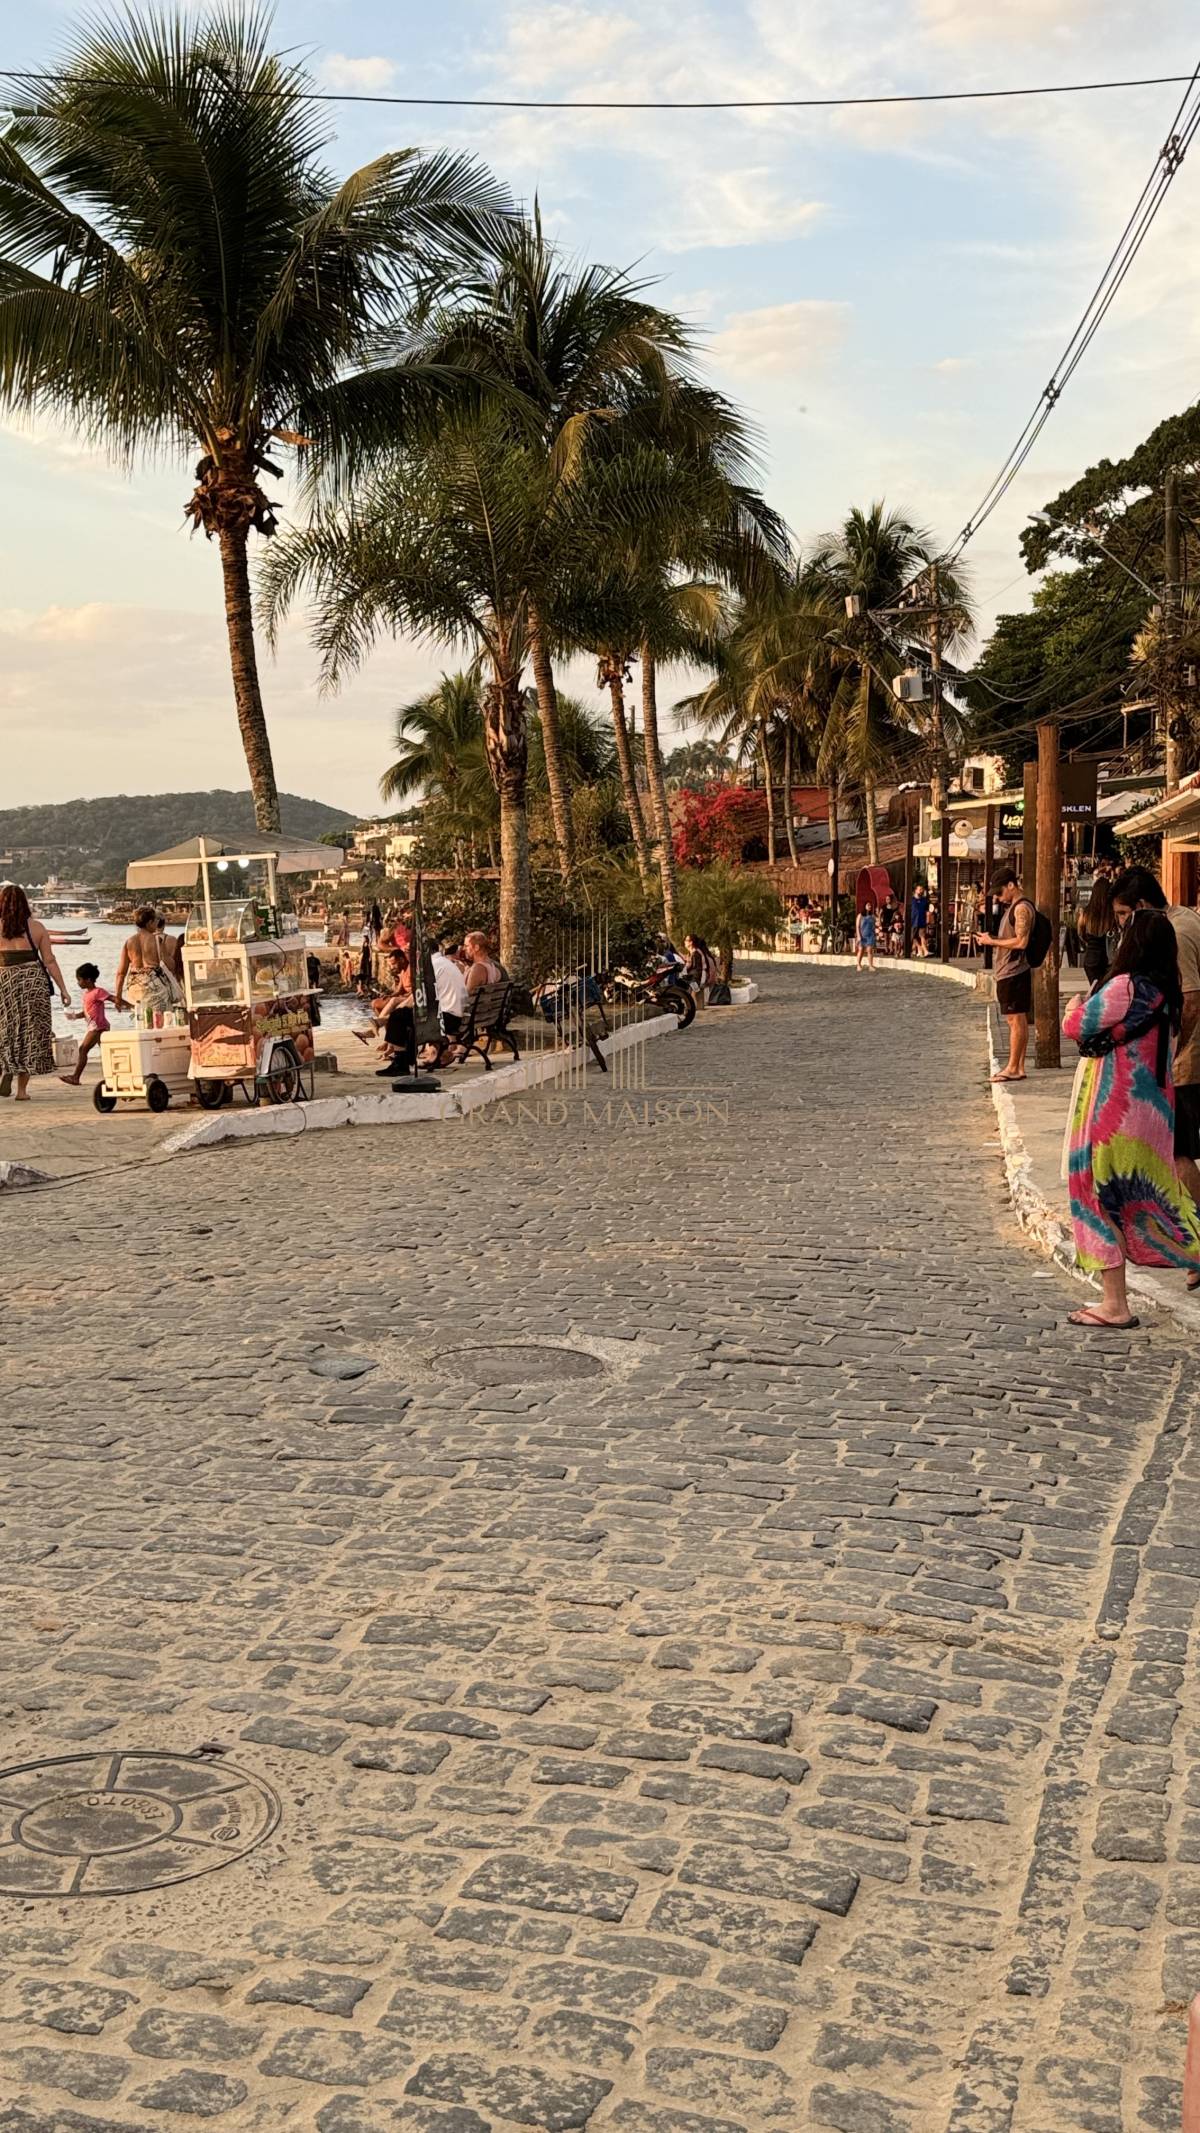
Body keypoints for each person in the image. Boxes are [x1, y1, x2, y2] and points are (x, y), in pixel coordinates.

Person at [1062, 909, 1200, 1327]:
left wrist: (1073, 1005)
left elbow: (1077, 1026)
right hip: (1154, 1116)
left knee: (1097, 1198)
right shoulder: (1168, 995)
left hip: (1113, 1112)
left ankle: (1114, 1304)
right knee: (1151, 1199)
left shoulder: (1124, 986)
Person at [1112, 864, 1200, 1287]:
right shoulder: (1185, 917)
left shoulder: (1173, 932)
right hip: (1184, 1056)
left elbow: (1191, 999)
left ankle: (1197, 1243)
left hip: (1186, 1061)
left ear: (1142, 906)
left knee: (1178, 1153)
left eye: (1123, 915)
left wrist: (1171, 1051)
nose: (1121, 925)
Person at [0, 882, 69, 1099]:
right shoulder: (37, 928)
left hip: (4, 981)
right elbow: (49, 961)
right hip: (32, 981)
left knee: (4, 1029)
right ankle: (22, 1091)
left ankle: (6, 1067)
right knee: (31, 1032)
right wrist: (63, 990)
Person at [976, 866, 1034, 1083]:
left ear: (1011, 885)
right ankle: (1018, 1066)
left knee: (1015, 1020)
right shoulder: (1015, 908)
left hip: (1013, 972)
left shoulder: (1021, 909)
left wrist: (992, 942)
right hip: (1010, 972)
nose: (998, 898)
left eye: (1000, 893)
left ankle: (1013, 1067)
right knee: (1017, 1019)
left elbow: (1021, 941)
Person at [113, 907, 183, 1017]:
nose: (157, 924)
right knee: (160, 1020)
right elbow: (170, 966)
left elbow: (121, 973)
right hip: (155, 988)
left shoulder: (129, 942)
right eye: (155, 921)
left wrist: (118, 996)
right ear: (150, 922)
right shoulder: (157, 940)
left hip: (135, 987)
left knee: (141, 1018)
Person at [60, 962, 113, 1086]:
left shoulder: (98, 992)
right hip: (96, 1026)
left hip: (97, 1027)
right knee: (106, 1052)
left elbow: (112, 998)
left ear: (88, 980)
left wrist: (128, 1005)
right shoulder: (87, 994)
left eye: (79, 979)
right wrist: (74, 1016)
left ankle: (75, 1077)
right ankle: (112, 1076)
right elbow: (87, 1012)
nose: (78, 983)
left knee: (83, 1049)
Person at [1078, 876, 1117, 989]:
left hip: (1091, 957)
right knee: (1107, 991)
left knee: (1095, 990)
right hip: (1108, 958)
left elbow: (1081, 933)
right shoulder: (1112, 913)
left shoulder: (1086, 913)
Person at [684, 933, 716, 1005]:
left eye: (686, 940)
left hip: (696, 978)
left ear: (691, 942)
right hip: (697, 978)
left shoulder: (696, 953)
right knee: (695, 995)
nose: (684, 942)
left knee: (692, 994)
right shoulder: (695, 952)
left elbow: (697, 969)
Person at [855, 899, 877, 973]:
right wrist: (858, 936)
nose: (869, 906)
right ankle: (858, 964)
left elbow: (876, 925)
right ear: (865, 906)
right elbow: (857, 926)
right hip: (862, 935)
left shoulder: (872, 916)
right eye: (868, 905)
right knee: (861, 950)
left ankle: (870, 965)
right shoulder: (860, 915)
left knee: (869, 950)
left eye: (870, 905)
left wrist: (879, 915)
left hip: (870, 935)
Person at [911, 881, 929, 954]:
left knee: (922, 935)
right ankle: (919, 948)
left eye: (922, 889)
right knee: (913, 936)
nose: (921, 891)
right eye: (920, 889)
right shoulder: (911, 900)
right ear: (916, 890)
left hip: (922, 920)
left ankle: (925, 950)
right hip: (913, 921)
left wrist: (927, 919)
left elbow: (927, 911)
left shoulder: (924, 900)